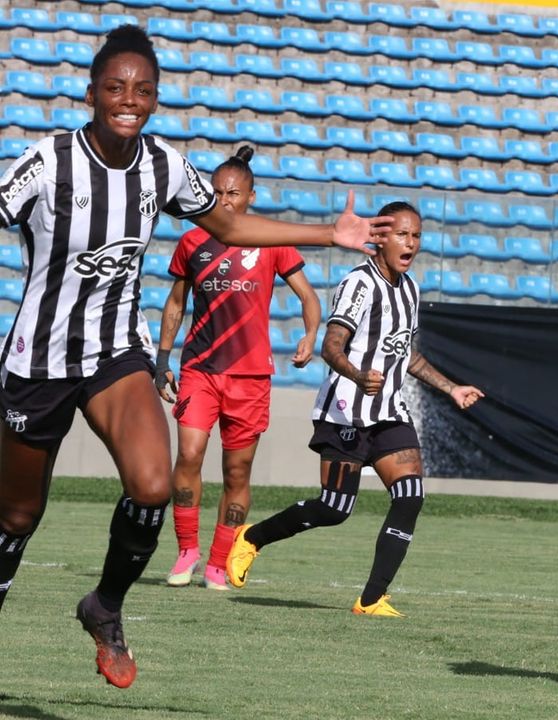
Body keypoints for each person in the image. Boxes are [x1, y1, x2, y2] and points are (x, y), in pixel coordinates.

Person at [0, 25, 390, 689]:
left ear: (155, 99)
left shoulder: (162, 166)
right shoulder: (48, 160)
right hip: (37, 364)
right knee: (15, 518)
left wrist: (328, 232)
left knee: (154, 486)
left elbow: (230, 225)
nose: (129, 99)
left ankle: (105, 608)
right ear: (90, 91)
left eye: (143, 90)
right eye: (116, 87)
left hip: (115, 354)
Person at [225, 202, 483, 617]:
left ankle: (371, 598)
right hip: (346, 413)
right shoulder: (359, 284)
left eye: (416, 235)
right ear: (380, 238)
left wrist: (450, 388)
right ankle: (251, 538)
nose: (411, 243)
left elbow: (407, 356)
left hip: (389, 413)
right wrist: (359, 375)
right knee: (334, 508)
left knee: (410, 495)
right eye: (402, 234)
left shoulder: (411, 289)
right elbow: (331, 347)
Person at [154, 145, 322, 591]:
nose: (225, 201)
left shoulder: (271, 240)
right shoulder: (192, 240)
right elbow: (175, 302)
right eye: (218, 193)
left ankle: (217, 561)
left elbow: (308, 296)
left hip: (250, 376)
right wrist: (162, 359)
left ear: (250, 195)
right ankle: (186, 549)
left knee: (236, 474)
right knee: (188, 454)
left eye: (233, 193)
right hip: (201, 369)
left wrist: (310, 335)